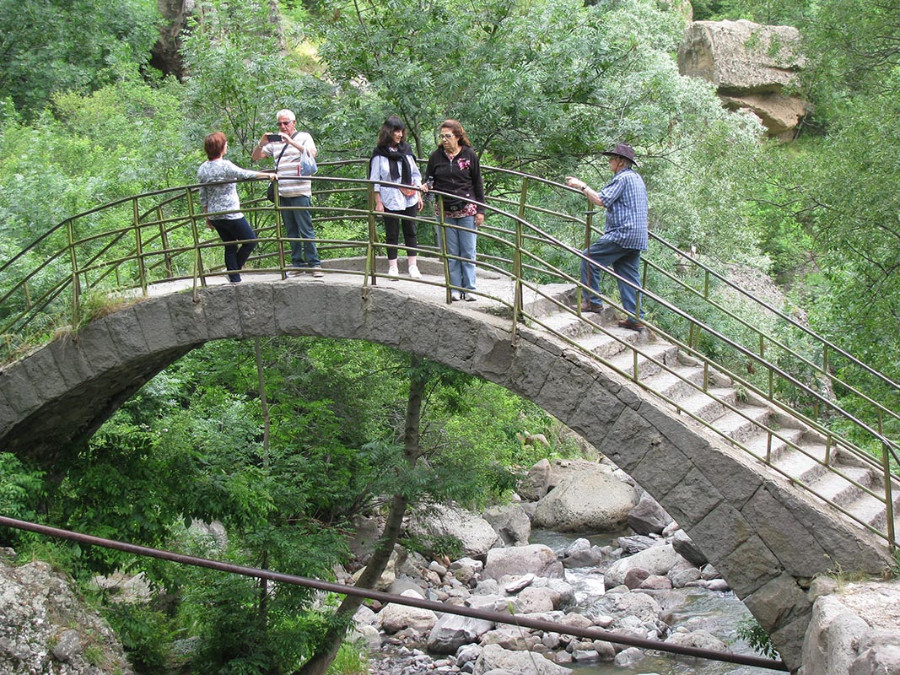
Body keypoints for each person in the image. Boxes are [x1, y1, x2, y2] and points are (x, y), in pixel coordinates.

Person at [566, 143, 648, 331]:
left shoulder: (623, 178)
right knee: (629, 277)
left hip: (623, 233)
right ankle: (635, 318)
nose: (609, 161)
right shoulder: (636, 178)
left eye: (611, 159)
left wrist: (582, 186)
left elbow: (601, 200)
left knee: (588, 257)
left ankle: (592, 301)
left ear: (620, 162)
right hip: (637, 236)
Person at [252, 109, 322, 277]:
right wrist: (262, 142)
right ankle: (297, 263)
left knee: (306, 229)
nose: (282, 127)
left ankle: (314, 264)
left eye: (286, 123)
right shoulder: (275, 143)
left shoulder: (304, 137)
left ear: (294, 123)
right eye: (280, 124)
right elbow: (256, 157)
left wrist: (291, 142)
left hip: (300, 191)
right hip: (283, 192)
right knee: (291, 231)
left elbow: (312, 153)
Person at [197, 132, 272, 283]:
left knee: (230, 245)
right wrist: (267, 175)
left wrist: (207, 216)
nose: (227, 146)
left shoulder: (202, 169)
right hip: (231, 213)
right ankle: (233, 271)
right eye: (225, 143)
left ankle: (234, 277)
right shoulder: (225, 166)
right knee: (250, 240)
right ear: (220, 147)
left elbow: (203, 194)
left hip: (215, 215)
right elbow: (244, 174)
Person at [423, 119, 485, 301]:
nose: (444, 140)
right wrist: (427, 187)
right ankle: (455, 288)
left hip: (467, 208)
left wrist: (481, 210)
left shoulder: (469, 155)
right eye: (442, 136)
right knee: (451, 252)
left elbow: (478, 183)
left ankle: (470, 288)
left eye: (448, 136)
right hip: (444, 209)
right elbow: (430, 179)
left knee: (467, 250)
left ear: (457, 136)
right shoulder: (436, 157)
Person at [368, 115, 424, 279]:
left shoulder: (406, 150)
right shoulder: (379, 154)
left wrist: (419, 195)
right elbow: (375, 179)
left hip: (409, 196)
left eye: (401, 131)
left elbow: (415, 174)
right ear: (388, 132)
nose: (399, 135)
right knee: (392, 233)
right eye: (396, 132)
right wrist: (378, 201)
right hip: (389, 198)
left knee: (410, 230)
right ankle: (393, 267)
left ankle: (412, 266)